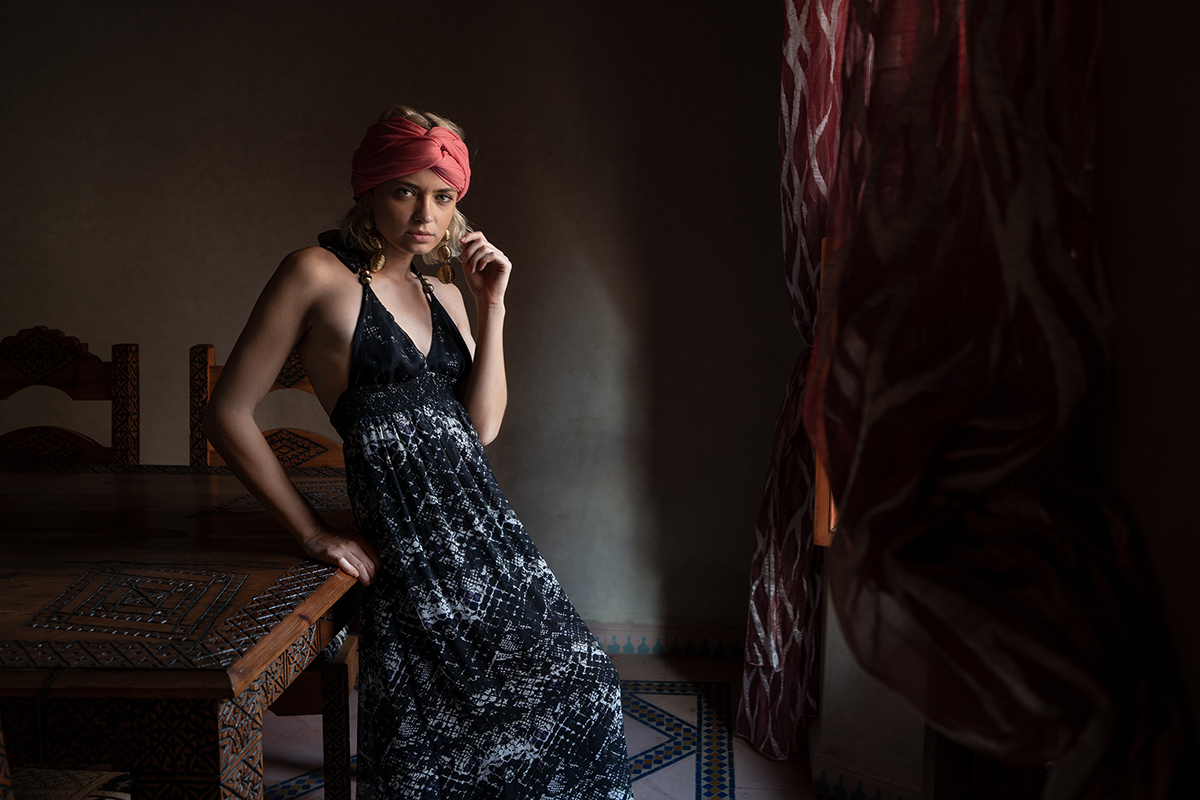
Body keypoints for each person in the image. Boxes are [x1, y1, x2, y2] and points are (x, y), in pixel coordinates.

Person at [204, 104, 634, 799]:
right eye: (405, 190)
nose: (424, 213)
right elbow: (226, 413)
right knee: (428, 725)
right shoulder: (314, 273)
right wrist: (312, 532)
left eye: (443, 196)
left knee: (585, 683)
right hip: (406, 538)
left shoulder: (446, 293)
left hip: (485, 532)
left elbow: (482, 426)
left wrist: (492, 307)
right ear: (369, 191)